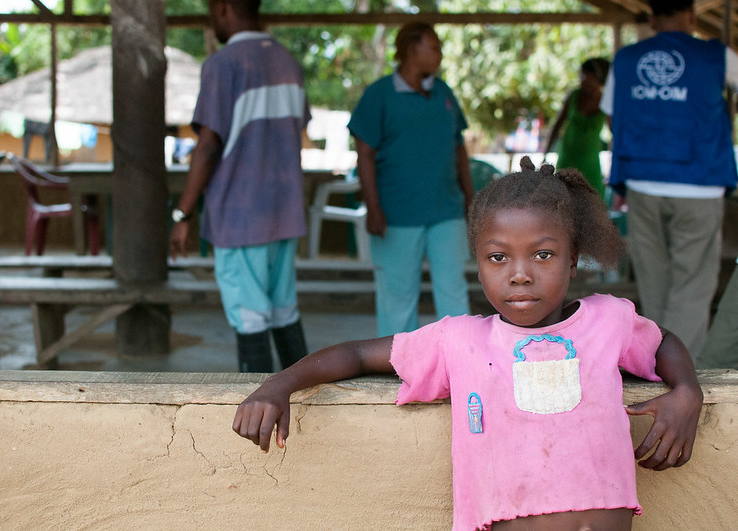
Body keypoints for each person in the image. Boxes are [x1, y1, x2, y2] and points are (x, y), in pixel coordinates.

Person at [232, 158, 703, 530]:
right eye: (498, 257)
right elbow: (356, 354)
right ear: (478, 263)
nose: (520, 274)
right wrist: (280, 384)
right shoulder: (460, 342)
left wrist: (687, 391)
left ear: (573, 260)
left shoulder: (608, 320)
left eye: (543, 254)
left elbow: (662, 342)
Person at [170, 0, 310, 373]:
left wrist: (182, 212)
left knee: (250, 318)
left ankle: (258, 402)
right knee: (283, 310)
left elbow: (208, 145)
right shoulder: (287, 62)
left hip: (240, 215)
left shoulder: (223, 64)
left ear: (223, 8)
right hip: (284, 212)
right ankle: (309, 398)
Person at [600, 0, 738, 360]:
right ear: (691, 15)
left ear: (653, 18)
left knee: (653, 282)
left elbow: (613, 119)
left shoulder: (627, 59)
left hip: (642, 182)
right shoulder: (715, 55)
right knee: (692, 286)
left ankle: (655, 364)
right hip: (700, 182)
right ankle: (681, 373)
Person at [347, 21, 474, 338]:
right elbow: (364, 154)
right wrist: (373, 208)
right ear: (411, 49)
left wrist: (471, 198)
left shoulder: (443, 92)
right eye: (435, 47)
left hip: (447, 211)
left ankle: (460, 357)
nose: (440, 54)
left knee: (454, 293)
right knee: (397, 299)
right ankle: (397, 363)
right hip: (396, 215)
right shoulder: (379, 94)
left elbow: (459, 148)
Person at [544, 57, 610, 198]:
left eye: (584, 75)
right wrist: (546, 153)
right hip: (567, 157)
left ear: (596, 77)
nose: (581, 79)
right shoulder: (574, 95)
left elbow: (614, 130)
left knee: (592, 200)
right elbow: (557, 126)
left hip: (590, 162)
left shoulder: (605, 100)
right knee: (562, 197)